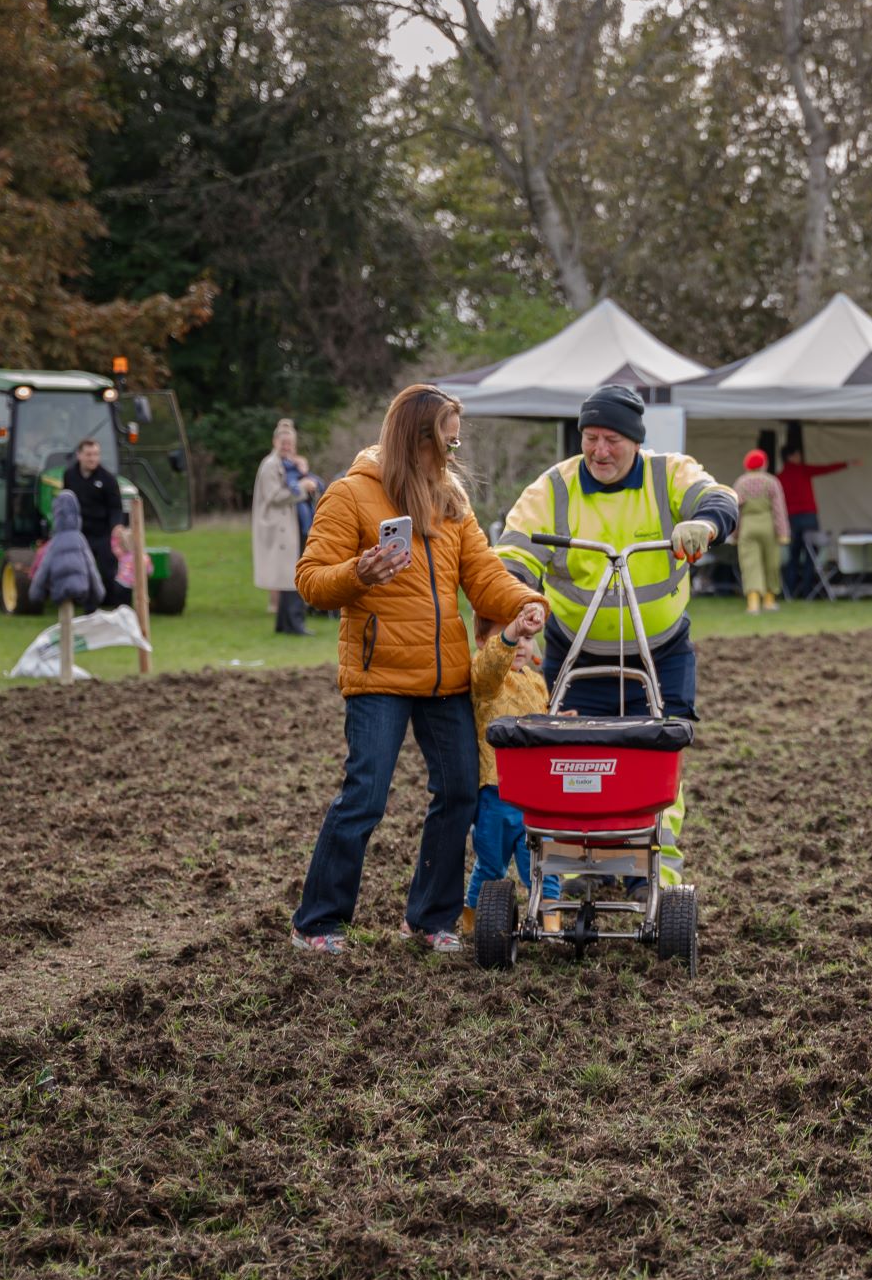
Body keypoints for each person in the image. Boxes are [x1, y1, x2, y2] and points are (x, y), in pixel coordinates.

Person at [290, 385, 547, 956]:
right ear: (417, 436)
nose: (456, 446)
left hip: (445, 676)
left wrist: (522, 602)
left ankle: (430, 919)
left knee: (458, 793)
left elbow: (483, 575)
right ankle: (318, 924)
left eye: (458, 434)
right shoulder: (352, 495)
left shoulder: (450, 501)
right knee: (365, 797)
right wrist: (360, 572)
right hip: (379, 674)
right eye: (447, 435)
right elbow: (310, 579)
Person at [496, 384, 738, 887]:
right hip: (576, 652)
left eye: (612, 439)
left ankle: (655, 876)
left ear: (635, 441)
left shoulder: (667, 473)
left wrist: (705, 526)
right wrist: (519, 610)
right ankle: (583, 868)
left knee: (658, 761)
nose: (600, 451)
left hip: (661, 650)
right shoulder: (554, 488)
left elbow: (719, 497)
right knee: (576, 763)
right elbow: (512, 555)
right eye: (591, 438)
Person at [464, 607, 556, 937]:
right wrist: (508, 637)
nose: (520, 644)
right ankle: (473, 920)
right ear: (481, 642)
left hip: (537, 796)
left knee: (544, 862)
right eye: (511, 638)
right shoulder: (486, 680)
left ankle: (550, 921)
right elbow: (490, 666)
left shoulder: (536, 682)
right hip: (496, 793)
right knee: (491, 864)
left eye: (527, 637)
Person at [254, 420, 317, 636]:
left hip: (291, 525)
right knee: (292, 576)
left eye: (290, 443)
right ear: (275, 442)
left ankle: (284, 624)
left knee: (289, 575)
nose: (287, 446)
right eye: (283, 442)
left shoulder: (289, 463)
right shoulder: (271, 465)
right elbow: (273, 496)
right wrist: (302, 487)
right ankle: (295, 624)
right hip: (280, 528)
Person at [774, 445, 856, 598]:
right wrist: (847, 464)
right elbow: (825, 469)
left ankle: (790, 592)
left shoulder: (780, 477)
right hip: (808, 518)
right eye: (797, 454)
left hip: (792, 519)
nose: (800, 457)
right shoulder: (803, 470)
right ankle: (807, 591)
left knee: (793, 556)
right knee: (811, 554)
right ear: (791, 456)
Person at [62, 438, 126, 610]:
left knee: (107, 570)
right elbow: (66, 503)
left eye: (96, 454)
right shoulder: (69, 475)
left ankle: (112, 603)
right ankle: (87, 606)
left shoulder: (108, 479)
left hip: (104, 532)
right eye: (89, 455)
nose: (93, 459)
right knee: (82, 569)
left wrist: (116, 527)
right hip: (81, 532)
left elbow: (115, 508)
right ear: (79, 455)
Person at [730, 448, 789, 613]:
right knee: (771, 562)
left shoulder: (740, 483)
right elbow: (778, 509)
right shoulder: (771, 482)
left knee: (750, 564)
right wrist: (783, 533)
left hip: (748, 526)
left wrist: (735, 534)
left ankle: (753, 603)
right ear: (764, 463)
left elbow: (736, 510)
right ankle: (769, 601)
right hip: (768, 525)